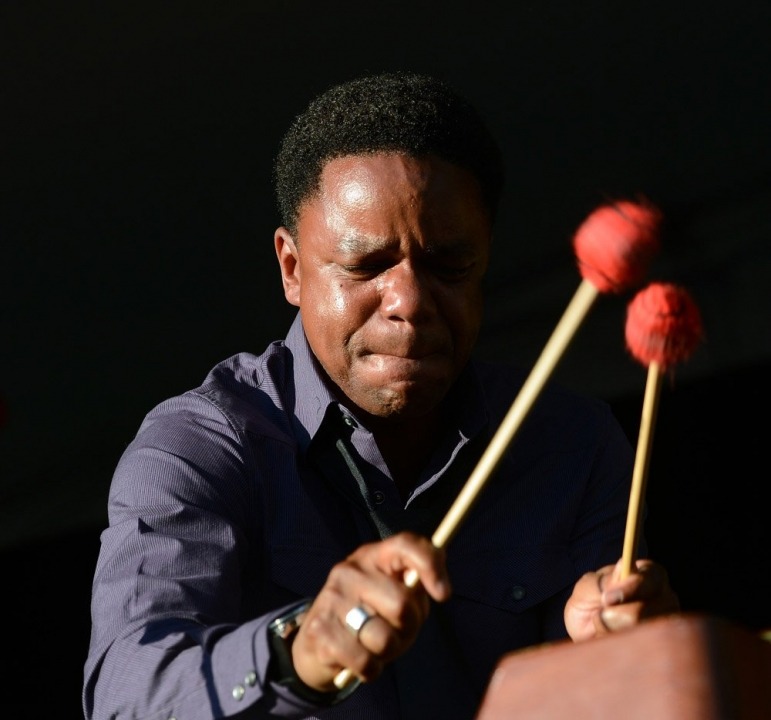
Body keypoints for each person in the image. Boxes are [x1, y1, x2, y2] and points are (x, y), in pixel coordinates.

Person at [83, 71, 679, 720]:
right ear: (291, 267)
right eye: (366, 267)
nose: (410, 304)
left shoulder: (573, 444)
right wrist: (302, 649)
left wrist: (610, 657)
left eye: (449, 267)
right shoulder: (199, 447)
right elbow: (127, 695)